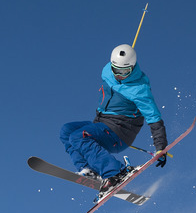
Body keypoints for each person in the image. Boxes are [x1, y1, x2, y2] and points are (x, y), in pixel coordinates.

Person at [60, 44, 168, 195]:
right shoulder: (107, 71)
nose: (119, 75)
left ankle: (115, 173)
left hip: (119, 133)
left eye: (125, 71)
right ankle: (88, 170)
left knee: (79, 136)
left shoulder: (139, 89)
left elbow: (154, 118)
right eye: (116, 70)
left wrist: (160, 147)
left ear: (132, 67)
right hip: (102, 124)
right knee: (67, 131)